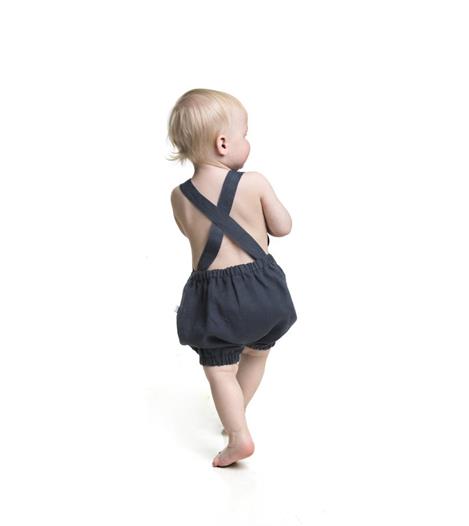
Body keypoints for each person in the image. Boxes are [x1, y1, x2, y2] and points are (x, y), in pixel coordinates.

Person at [167, 88, 297, 467]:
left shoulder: (179, 197)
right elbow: (283, 227)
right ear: (223, 143)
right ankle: (234, 419)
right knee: (257, 353)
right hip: (263, 290)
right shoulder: (254, 182)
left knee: (220, 369)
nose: (247, 142)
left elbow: (192, 234)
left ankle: (238, 433)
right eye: (245, 134)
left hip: (216, 296)